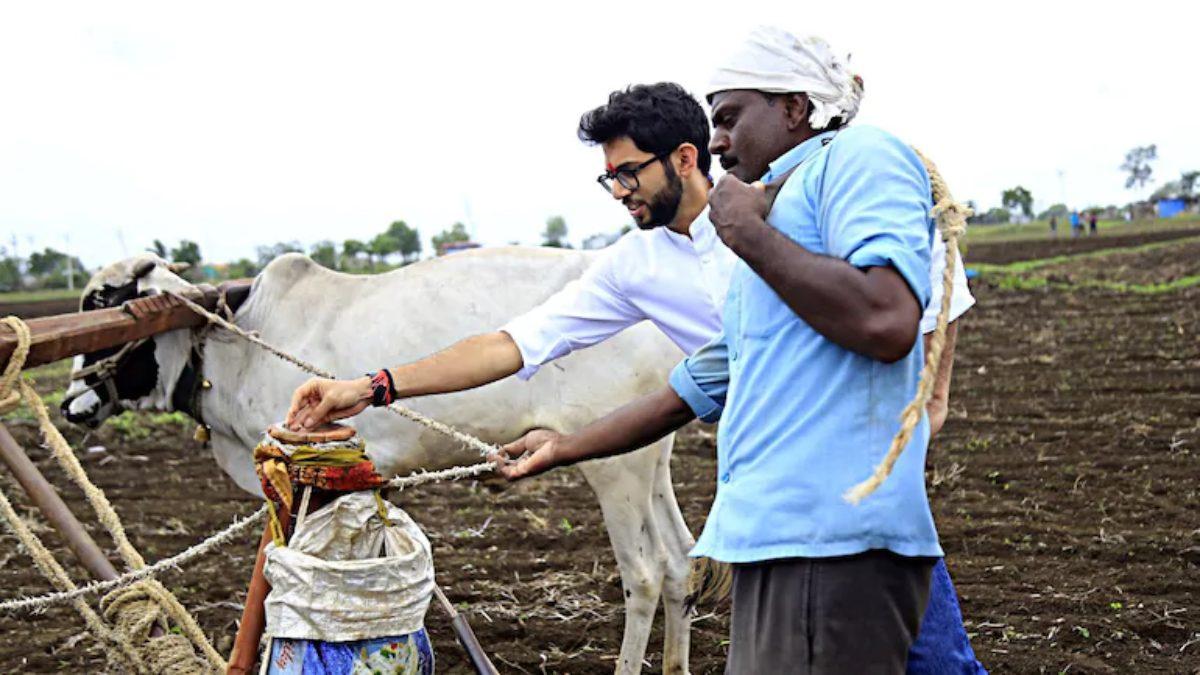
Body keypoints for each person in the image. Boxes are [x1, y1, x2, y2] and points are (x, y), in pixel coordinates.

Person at [288, 59, 982, 674]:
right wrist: (375, 386)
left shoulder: (783, 211)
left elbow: (927, 286)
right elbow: (516, 343)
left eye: (628, 172)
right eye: (607, 177)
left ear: (685, 158)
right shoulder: (634, 266)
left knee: (933, 655)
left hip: (853, 490)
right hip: (777, 500)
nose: (618, 191)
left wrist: (930, 411)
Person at [491, 28, 955, 673]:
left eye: (731, 117)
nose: (718, 141)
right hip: (771, 537)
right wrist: (563, 447)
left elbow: (886, 320)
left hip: (831, 536)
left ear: (794, 108)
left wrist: (743, 232)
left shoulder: (857, 159)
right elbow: (694, 386)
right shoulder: (774, 220)